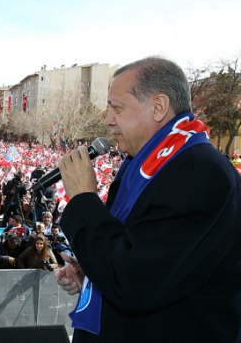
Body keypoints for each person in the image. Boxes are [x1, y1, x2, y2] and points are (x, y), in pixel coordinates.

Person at [54, 57, 241, 342]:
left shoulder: (196, 172)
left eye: (117, 108)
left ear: (158, 107)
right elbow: (140, 255)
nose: (108, 120)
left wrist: (83, 198)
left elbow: (134, 282)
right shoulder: (146, 165)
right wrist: (93, 271)